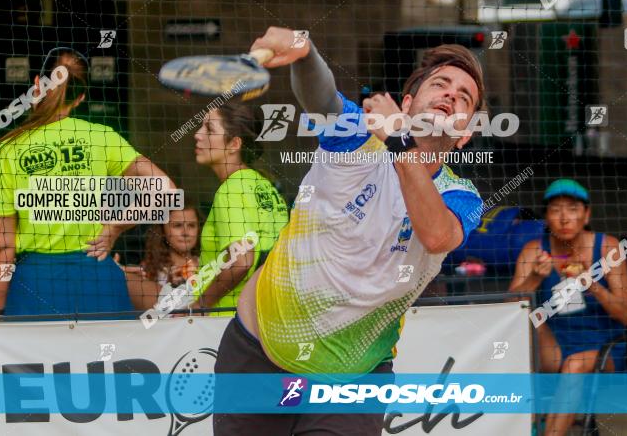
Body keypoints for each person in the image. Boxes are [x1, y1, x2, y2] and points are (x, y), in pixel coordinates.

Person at [212, 27, 486, 436]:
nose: (450, 95)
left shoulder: (461, 196)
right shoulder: (357, 137)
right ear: (407, 103)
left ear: (464, 135)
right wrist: (305, 54)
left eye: (464, 98)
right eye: (441, 85)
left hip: (353, 378)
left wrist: (398, 139)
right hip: (256, 356)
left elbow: (436, 235)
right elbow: (321, 100)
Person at [0, 47, 174, 317]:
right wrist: (114, 229)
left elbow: (1, 245)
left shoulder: (8, 150)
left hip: (35, 284)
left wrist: (1, 306)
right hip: (98, 278)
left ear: (37, 85)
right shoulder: (102, 137)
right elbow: (165, 190)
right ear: (80, 98)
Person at [509, 178, 627, 436]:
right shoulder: (535, 250)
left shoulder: (607, 247)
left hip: (601, 348)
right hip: (553, 343)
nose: (564, 218)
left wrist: (593, 285)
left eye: (573, 209)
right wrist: (534, 278)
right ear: (546, 218)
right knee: (529, 323)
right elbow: (508, 310)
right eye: (556, 210)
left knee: (574, 365)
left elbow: (626, 315)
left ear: (586, 214)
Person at [188, 99, 288, 315]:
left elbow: (241, 261)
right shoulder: (265, 186)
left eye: (209, 129)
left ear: (234, 144)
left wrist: (200, 305)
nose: (197, 134)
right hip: (263, 316)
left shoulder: (231, 189)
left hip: (227, 319)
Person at [122, 205, 202, 310]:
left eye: (191, 225)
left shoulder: (208, 265)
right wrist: (171, 285)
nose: (185, 233)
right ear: (163, 230)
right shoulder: (148, 268)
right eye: (177, 225)